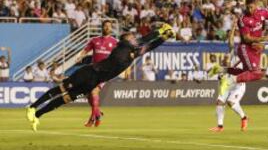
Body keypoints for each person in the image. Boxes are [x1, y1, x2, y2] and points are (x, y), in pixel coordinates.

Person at [26, 23, 175, 131]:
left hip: (94, 82)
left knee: (65, 99)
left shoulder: (133, 54)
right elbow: (144, 40)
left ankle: (38, 115)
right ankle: (32, 107)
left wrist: (164, 38)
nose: (133, 38)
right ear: (126, 39)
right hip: (89, 72)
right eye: (131, 37)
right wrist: (160, 31)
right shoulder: (123, 45)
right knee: (61, 89)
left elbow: (148, 47)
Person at [210, 0, 268, 83]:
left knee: (247, 73)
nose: (249, 10)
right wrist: (264, 38)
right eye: (247, 7)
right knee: (257, 74)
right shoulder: (243, 19)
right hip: (246, 48)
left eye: (251, 7)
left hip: (256, 48)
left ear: (256, 5)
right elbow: (247, 39)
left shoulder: (263, 12)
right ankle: (228, 81)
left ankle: (221, 69)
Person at [76, 20, 118, 127]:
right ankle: (97, 113)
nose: (107, 28)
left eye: (109, 26)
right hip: (93, 71)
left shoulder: (114, 42)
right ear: (102, 27)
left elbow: (119, 56)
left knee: (94, 92)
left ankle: (92, 119)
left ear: (111, 28)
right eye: (105, 26)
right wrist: (80, 56)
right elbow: (85, 50)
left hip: (105, 73)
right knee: (89, 95)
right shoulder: (94, 40)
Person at [209, 22, 248, 132]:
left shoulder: (247, 58)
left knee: (231, 102)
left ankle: (244, 118)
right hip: (230, 82)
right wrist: (233, 28)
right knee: (219, 102)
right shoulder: (233, 55)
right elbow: (230, 42)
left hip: (239, 84)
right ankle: (220, 126)